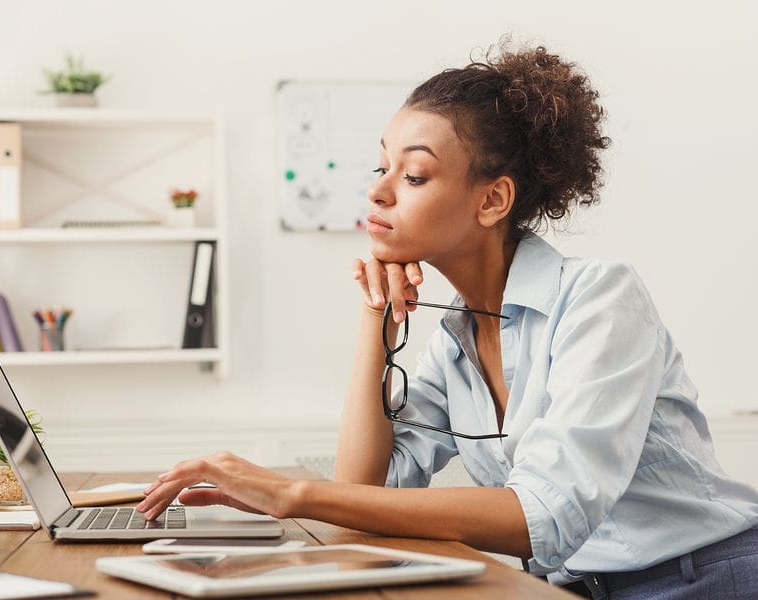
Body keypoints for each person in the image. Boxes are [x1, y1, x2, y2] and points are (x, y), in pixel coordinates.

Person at [137, 41, 758, 598]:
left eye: (413, 174)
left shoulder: (600, 298)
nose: (379, 192)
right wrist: (375, 316)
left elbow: (542, 514)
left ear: (493, 200)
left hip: (706, 578)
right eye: (381, 168)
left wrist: (292, 494)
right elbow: (365, 495)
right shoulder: (456, 336)